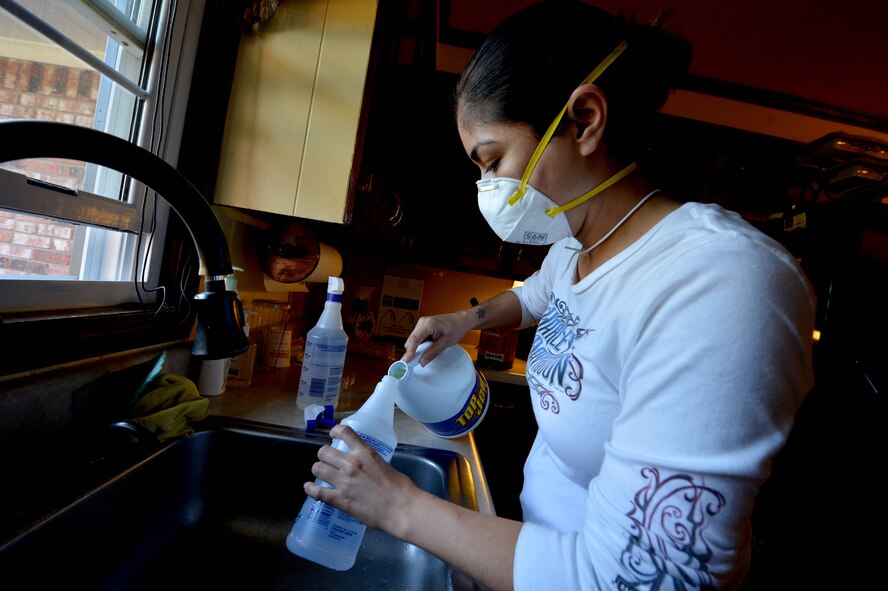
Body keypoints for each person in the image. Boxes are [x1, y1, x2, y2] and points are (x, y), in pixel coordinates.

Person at [303, 1, 815, 589]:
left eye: (493, 161)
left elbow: (641, 579)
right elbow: (533, 299)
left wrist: (398, 506)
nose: (488, 189)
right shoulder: (575, 244)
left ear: (585, 119)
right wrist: (461, 318)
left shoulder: (720, 285)